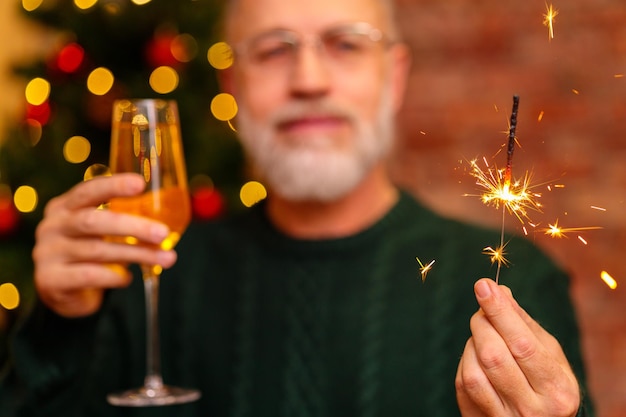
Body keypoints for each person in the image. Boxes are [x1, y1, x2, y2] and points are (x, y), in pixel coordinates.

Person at [3, 0, 592, 416]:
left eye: (345, 44)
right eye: (274, 50)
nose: (309, 79)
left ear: (395, 78)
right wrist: (61, 323)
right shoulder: (148, 272)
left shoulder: (518, 279)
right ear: (232, 85)